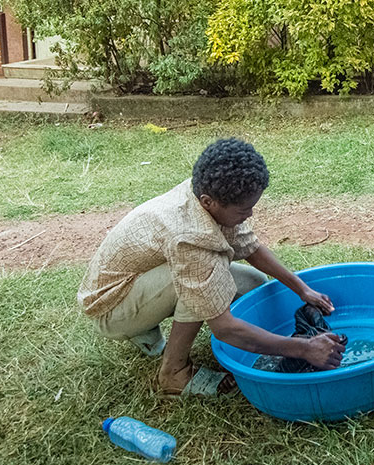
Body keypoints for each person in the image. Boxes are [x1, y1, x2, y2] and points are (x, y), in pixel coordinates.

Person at [78, 138, 347, 396]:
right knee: (198, 280)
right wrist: (303, 349)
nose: (250, 215)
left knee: (253, 283)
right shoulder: (189, 237)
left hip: (142, 283)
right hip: (111, 307)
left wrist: (302, 289)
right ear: (209, 201)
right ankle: (174, 374)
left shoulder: (208, 195)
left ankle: (146, 330)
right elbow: (225, 328)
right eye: (243, 211)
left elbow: (250, 247)